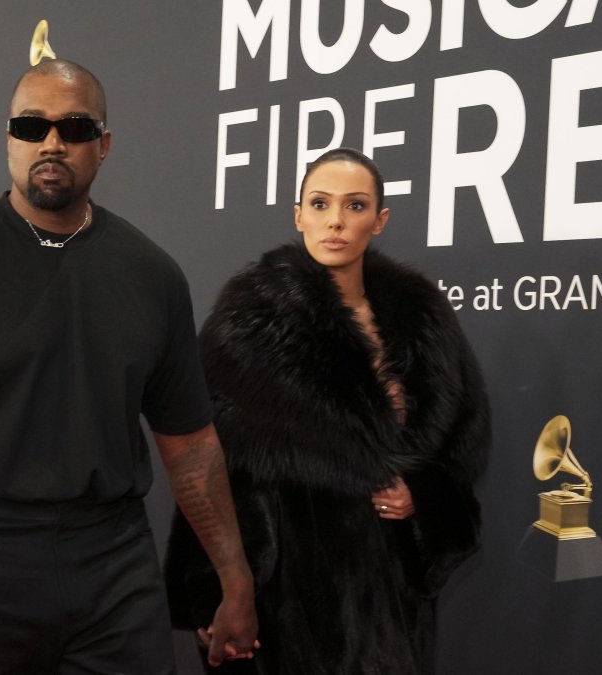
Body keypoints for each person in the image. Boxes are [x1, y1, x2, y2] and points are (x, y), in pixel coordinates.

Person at [0, 59, 257, 675]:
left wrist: (235, 578)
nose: (51, 142)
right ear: (9, 140)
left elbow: (191, 444)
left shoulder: (152, 275)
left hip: (115, 560)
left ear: (103, 146)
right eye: (31, 125)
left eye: (74, 128)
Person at [165, 148, 490, 674]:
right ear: (298, 215)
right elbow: (206, 468)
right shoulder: (247, 324)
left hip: (392, 606)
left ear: (379, 221)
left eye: (355, 205)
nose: (335, 220)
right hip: (287, 601)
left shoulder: (424, 322)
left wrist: (423, 498)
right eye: (320, 203)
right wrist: (219, 591)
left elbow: (462, 446)